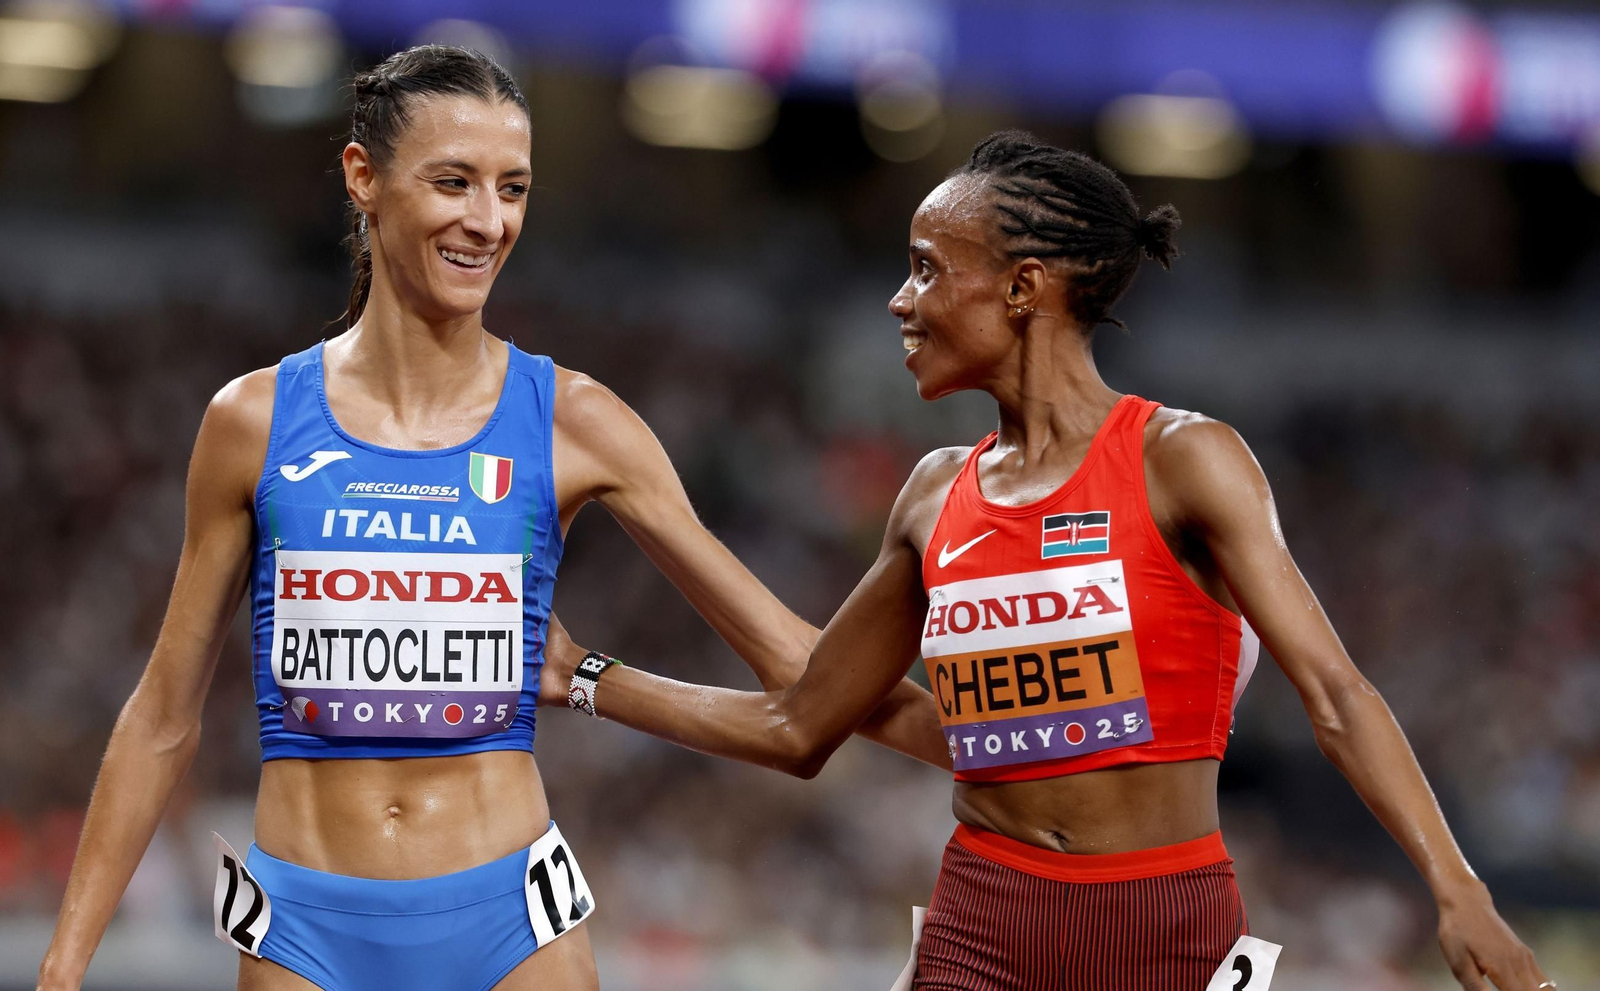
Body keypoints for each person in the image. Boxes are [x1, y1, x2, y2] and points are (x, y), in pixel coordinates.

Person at [541, 131, 1556, 991]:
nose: (900, 299)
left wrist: (1456, 889)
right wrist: (586, 672)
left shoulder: (1184, 461)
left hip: (1168, 932)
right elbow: (806, 716)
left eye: (928, 267)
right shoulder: (936, 493)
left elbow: (1334, 694)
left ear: (1023, 287)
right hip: (982, 920)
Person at [36, 46, 945, 991]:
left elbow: (800, 670)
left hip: (512, 923)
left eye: (512, 188)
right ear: (363, 179)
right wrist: (62, 967)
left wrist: (1014, 743)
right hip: (306, 928)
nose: (488, 220)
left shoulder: (576, 419)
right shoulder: (251, 422)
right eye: (453, 182)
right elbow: (161, 718)